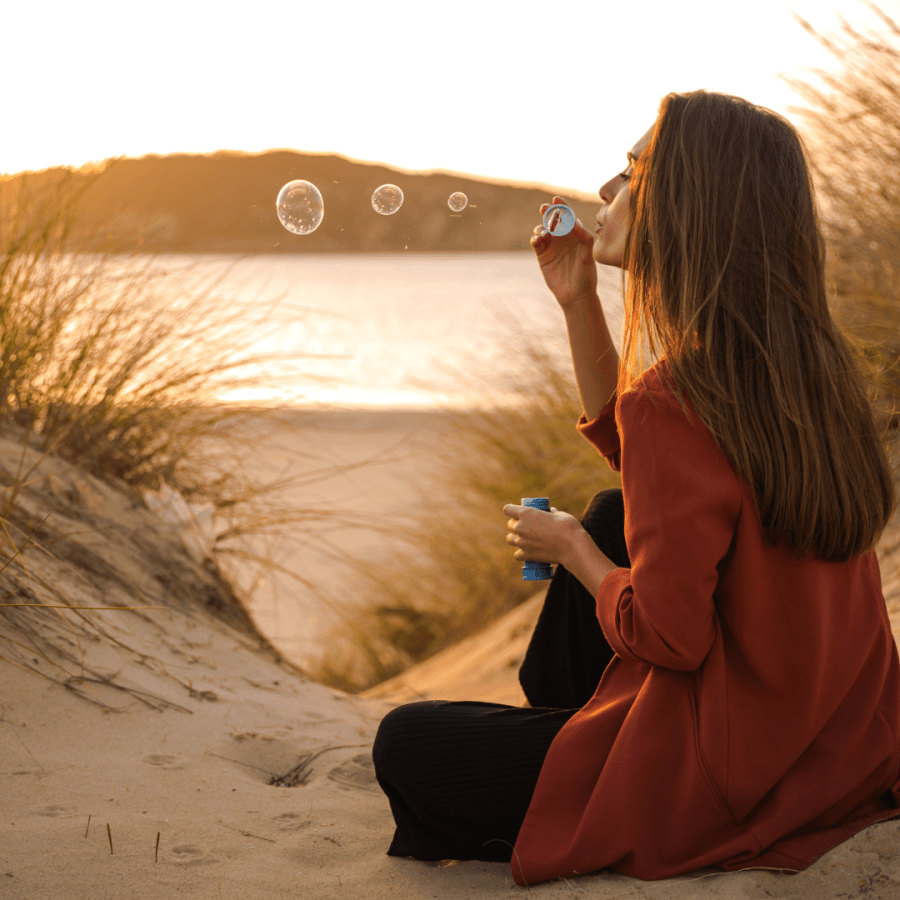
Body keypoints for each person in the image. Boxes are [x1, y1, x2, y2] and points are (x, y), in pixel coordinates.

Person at [372, 90, 900, 886]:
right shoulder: (814, 374)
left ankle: (579, 757)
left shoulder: (679, 400)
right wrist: (579, 299)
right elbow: (667, 481)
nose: (605, 191)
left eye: (631, 172)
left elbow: (671, 638)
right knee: (622, 511)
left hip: (724, 777)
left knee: (405, 745)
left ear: (686, 206)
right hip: (836, 750)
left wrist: (575, 553)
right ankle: (570, 731)